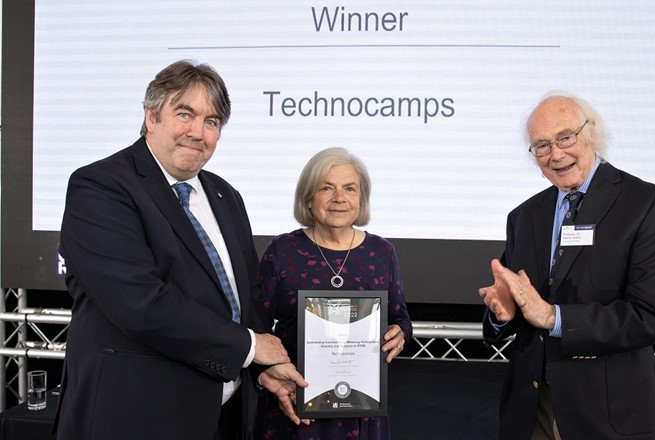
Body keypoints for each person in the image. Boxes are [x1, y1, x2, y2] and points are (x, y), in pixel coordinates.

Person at [54, 60, 307, 440]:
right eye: (185, 113)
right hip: (136, 416)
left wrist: (258, 366)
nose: (197, 132)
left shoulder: (226, 196)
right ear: (151, 116)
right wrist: (251, 347)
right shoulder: (101, 187)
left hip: (223, 415)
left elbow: (243, 298)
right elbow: (141, 304)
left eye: (212, 121)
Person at [479, 92, 655, 440]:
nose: (556, 154)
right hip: (530, 415)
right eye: (541, 145)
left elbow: (647, 317)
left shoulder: (644, 203)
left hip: (607, 418)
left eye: (565, 137)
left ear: (591, 132)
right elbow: (511, 309)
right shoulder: (523, 217)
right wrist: (501, 314)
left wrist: (554, 317)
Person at [256, 147, 413, 439]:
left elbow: (400, 318)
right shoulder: (282, 251)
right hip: (293, 406)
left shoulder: (382, 252)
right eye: (326, 188)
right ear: (308, 197)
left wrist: (400, 333)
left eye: (350, 189)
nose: (339, 198)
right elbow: (256, 326)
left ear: (361, 199)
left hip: (362, 412)